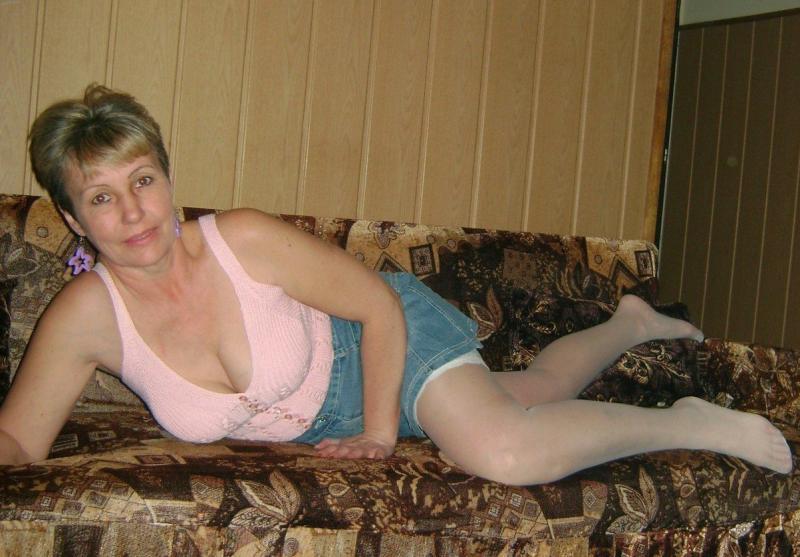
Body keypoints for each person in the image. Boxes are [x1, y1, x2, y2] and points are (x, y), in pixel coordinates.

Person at [0, 84, 791, 485]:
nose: (133, 211)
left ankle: (688, 422)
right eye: (101, 196)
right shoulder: (85, 317)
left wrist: (380, 433)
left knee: (504, 447)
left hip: (380, 343)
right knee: (539, 389)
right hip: (332, 417)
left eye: (142, 180)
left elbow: (378, 304)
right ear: (72, 217)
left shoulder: (240, 239)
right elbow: (18, 442)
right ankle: (630, 321)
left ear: (168, 179)